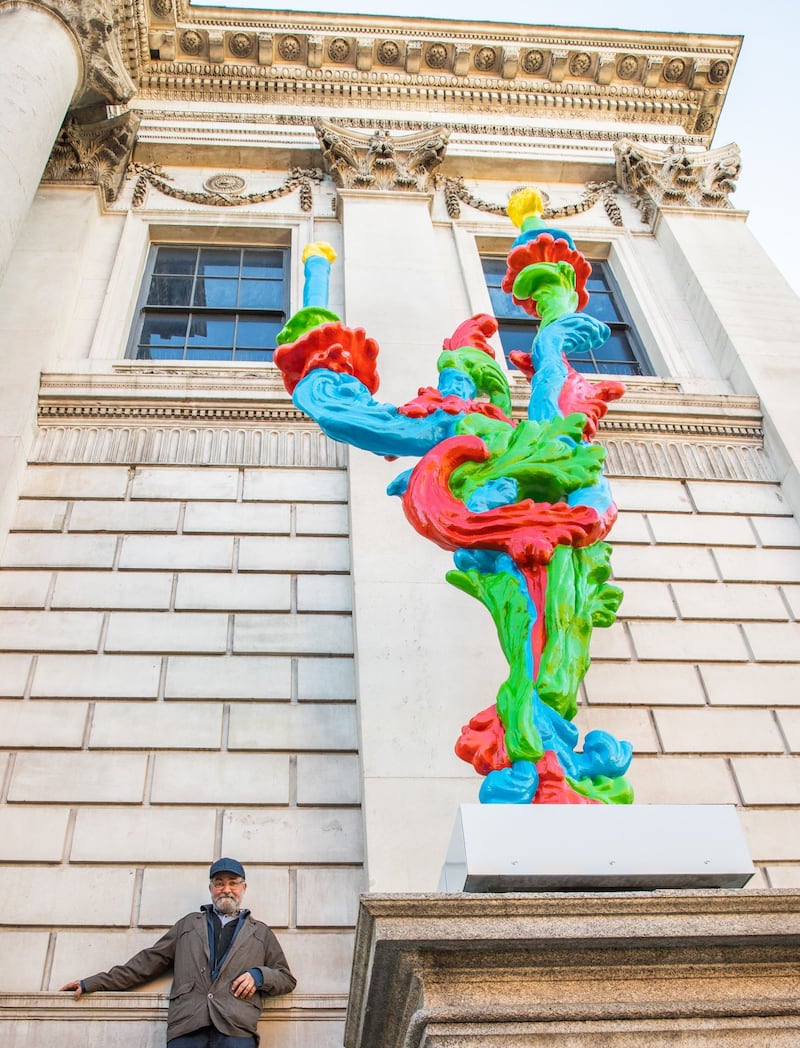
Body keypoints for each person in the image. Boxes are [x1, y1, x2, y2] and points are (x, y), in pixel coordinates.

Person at [60, 857, 296, 1047]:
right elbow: (146, 963)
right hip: (187, 1028)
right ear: (211, 889)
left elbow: (286, 978)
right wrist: (91, 983)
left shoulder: (260, 932)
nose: (226, 889)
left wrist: (258, 976)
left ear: (243, 888)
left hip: (236, 1031)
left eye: (233, 883)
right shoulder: (188, 925)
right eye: (219, 883)